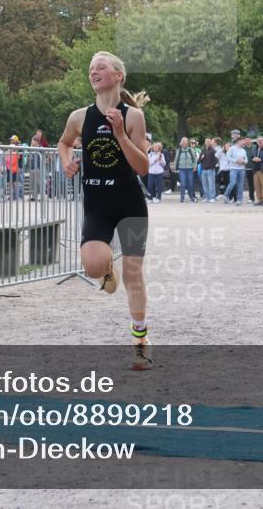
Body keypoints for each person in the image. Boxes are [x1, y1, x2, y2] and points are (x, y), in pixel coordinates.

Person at [57, 51, 154, 369]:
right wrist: (67, 163)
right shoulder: (79, 117)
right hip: (97, 203)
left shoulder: (133, 116)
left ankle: (140, 341)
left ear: (118, 76)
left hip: (129, 204)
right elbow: (64, 143)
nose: (93, 72)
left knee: (134, 275)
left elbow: (142, 167)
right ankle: (107, 269)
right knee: (93, 267)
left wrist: (121, 135)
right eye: (90, 69)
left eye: (101, 67)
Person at [223, 134, 248, 207]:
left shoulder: (243, 150)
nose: (244, 143)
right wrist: (236, 160)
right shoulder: (232, 148)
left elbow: (247, 160)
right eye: (243, 141)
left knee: (240, 185)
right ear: (239, 141)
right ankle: (226, 195)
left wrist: (243, 161)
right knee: (232, 183)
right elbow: (228, 157)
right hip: (233, 168)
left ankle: (239, 200)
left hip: (242, 169)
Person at [173, 137, 197, 203]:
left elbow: (195, 159)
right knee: (183, 184)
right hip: (182, 169)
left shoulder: (191, 150)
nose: (184, 143)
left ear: (187, 142)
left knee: (190, 183)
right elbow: (176, 159)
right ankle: (182, 197)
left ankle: (191, 196)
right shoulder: (179, 150)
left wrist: (195, 167)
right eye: (183, 141)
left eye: (185, 141)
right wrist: (174, 168)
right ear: (181, 143)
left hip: (190, 169)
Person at [199, 138, 220, 203]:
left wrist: (212, 166)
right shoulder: (203, 150)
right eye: (206, 141)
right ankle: (207, 197)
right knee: (205, 185)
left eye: (208, 141)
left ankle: (212, 197)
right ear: (205, 142)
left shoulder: (213, 150)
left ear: (210, 142)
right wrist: (201, 158)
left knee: (211, 184)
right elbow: (199, 159)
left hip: (210, 170)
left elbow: (216, 160)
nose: (207, 142)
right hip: (203, 170)